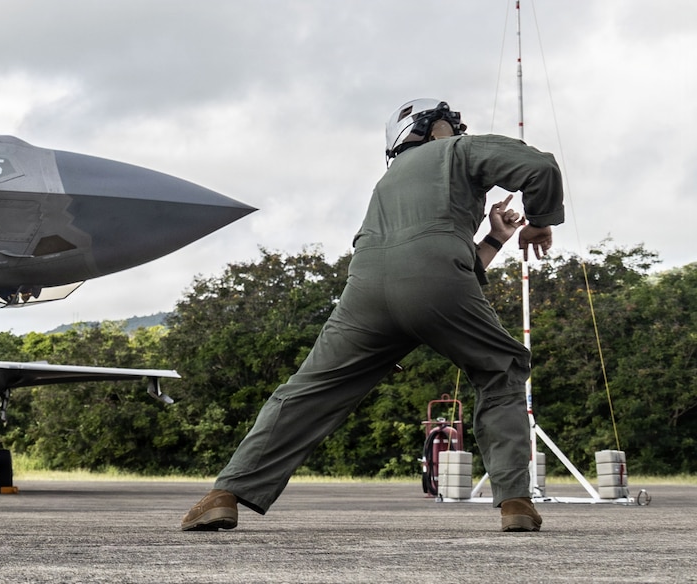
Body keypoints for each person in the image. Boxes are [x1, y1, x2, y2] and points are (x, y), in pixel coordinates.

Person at [181, 98, 563, 534]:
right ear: (437, 127)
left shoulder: (387, 184)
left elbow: (432, 265)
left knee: (311, 389)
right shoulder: (461, 150)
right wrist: (538, 221)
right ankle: (515, 502)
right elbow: (540, 167)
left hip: (365, 287)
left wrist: (494, 238)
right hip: (437, 281)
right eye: (452, 124)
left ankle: (223, 494)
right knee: (502, 368)